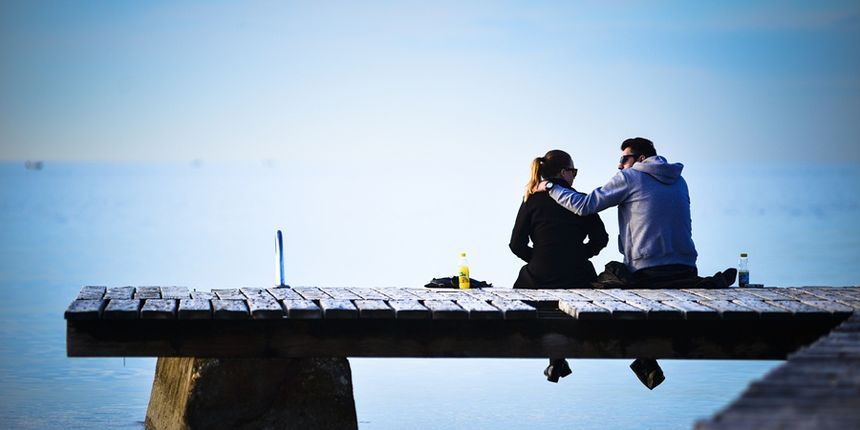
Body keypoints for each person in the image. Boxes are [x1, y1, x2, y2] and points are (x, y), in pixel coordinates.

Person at [535, 137, 735, 389]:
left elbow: (585, 206)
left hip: (647, 271)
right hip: (685, 267)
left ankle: (642, 358)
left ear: (641, 159)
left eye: (623, 159)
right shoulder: (679, 180)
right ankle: (647, 357)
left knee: (604, 281)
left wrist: (551, 186)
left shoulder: (631, 178)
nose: (619, 166)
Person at [509, 149, 609, 383]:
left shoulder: (532, 201)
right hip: (576, 274)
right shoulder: (581, 201)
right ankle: (557, 358)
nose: (575, 176)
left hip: (538, 276)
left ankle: (555, 358)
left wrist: (538, 258)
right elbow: (600, 240)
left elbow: (516, 244)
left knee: (534, 302)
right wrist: (579, 254)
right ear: (563, 172)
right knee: (577, 304)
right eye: (573, 171)